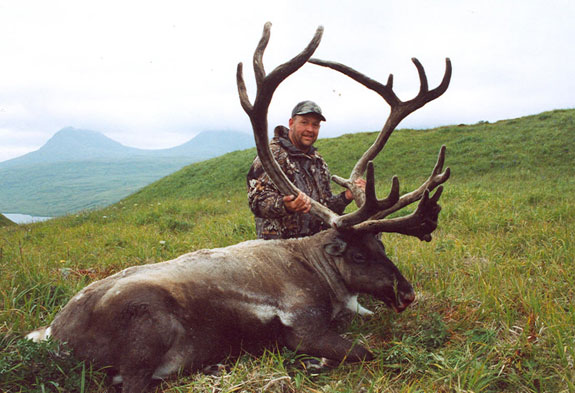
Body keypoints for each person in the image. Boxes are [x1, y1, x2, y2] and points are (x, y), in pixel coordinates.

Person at [247, 100, 364, 240]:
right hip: (280, 247)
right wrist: (286, 205)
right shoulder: (271, 156)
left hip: (315, 244)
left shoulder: (318, 161)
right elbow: (257, 202)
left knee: (366, 231)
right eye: (304, 122)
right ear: (291, 123)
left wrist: (347, 196)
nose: (310, 129)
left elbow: (324, 207)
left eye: (315, 125)